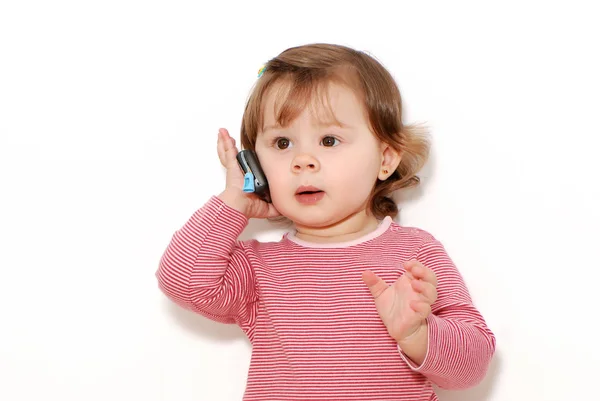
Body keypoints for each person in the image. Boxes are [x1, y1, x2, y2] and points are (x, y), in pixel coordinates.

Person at [156, 43, 496, 401]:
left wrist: (417, 334)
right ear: (254, 164)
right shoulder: (258, 268)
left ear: (386, 158)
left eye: (329, 140)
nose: (303, 160)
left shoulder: (415, 253)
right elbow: (183, 281)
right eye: (282, 142)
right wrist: (233, 203)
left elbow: (472, 368)